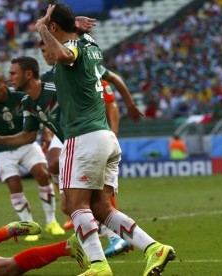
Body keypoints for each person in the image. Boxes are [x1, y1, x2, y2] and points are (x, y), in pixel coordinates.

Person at [35, 4, 175, 275]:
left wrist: (42, 27)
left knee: (74, 205)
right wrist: (70, 24)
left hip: (84, 136)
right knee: (100, 207)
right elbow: (73, 43)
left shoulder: (72, 47)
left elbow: (63, 52)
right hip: (105, 136)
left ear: (53, 27)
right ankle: (154, 248)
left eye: (46, 26)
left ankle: (99, 266)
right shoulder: (90, 43)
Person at [0, 56, 135, 258]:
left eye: (13, 74)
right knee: (70, 204)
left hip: (87, 142)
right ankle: (131, 243)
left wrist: (109, 127)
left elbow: (100, 98)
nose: (10, 78)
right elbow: (28, 136)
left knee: (94, 202)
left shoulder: (61, 87)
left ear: (28, 74)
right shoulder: (28, 101)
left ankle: (112, 244)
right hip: (73, 144)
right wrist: (1, 140)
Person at [0, 71, 64, 241]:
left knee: (42, 173)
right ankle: (28, 226)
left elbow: (41, 110)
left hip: (26, 142)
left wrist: (47, 132)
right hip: (1, 150)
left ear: (5, 83)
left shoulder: (21, 96)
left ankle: (52, 221)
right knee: (14, 184)